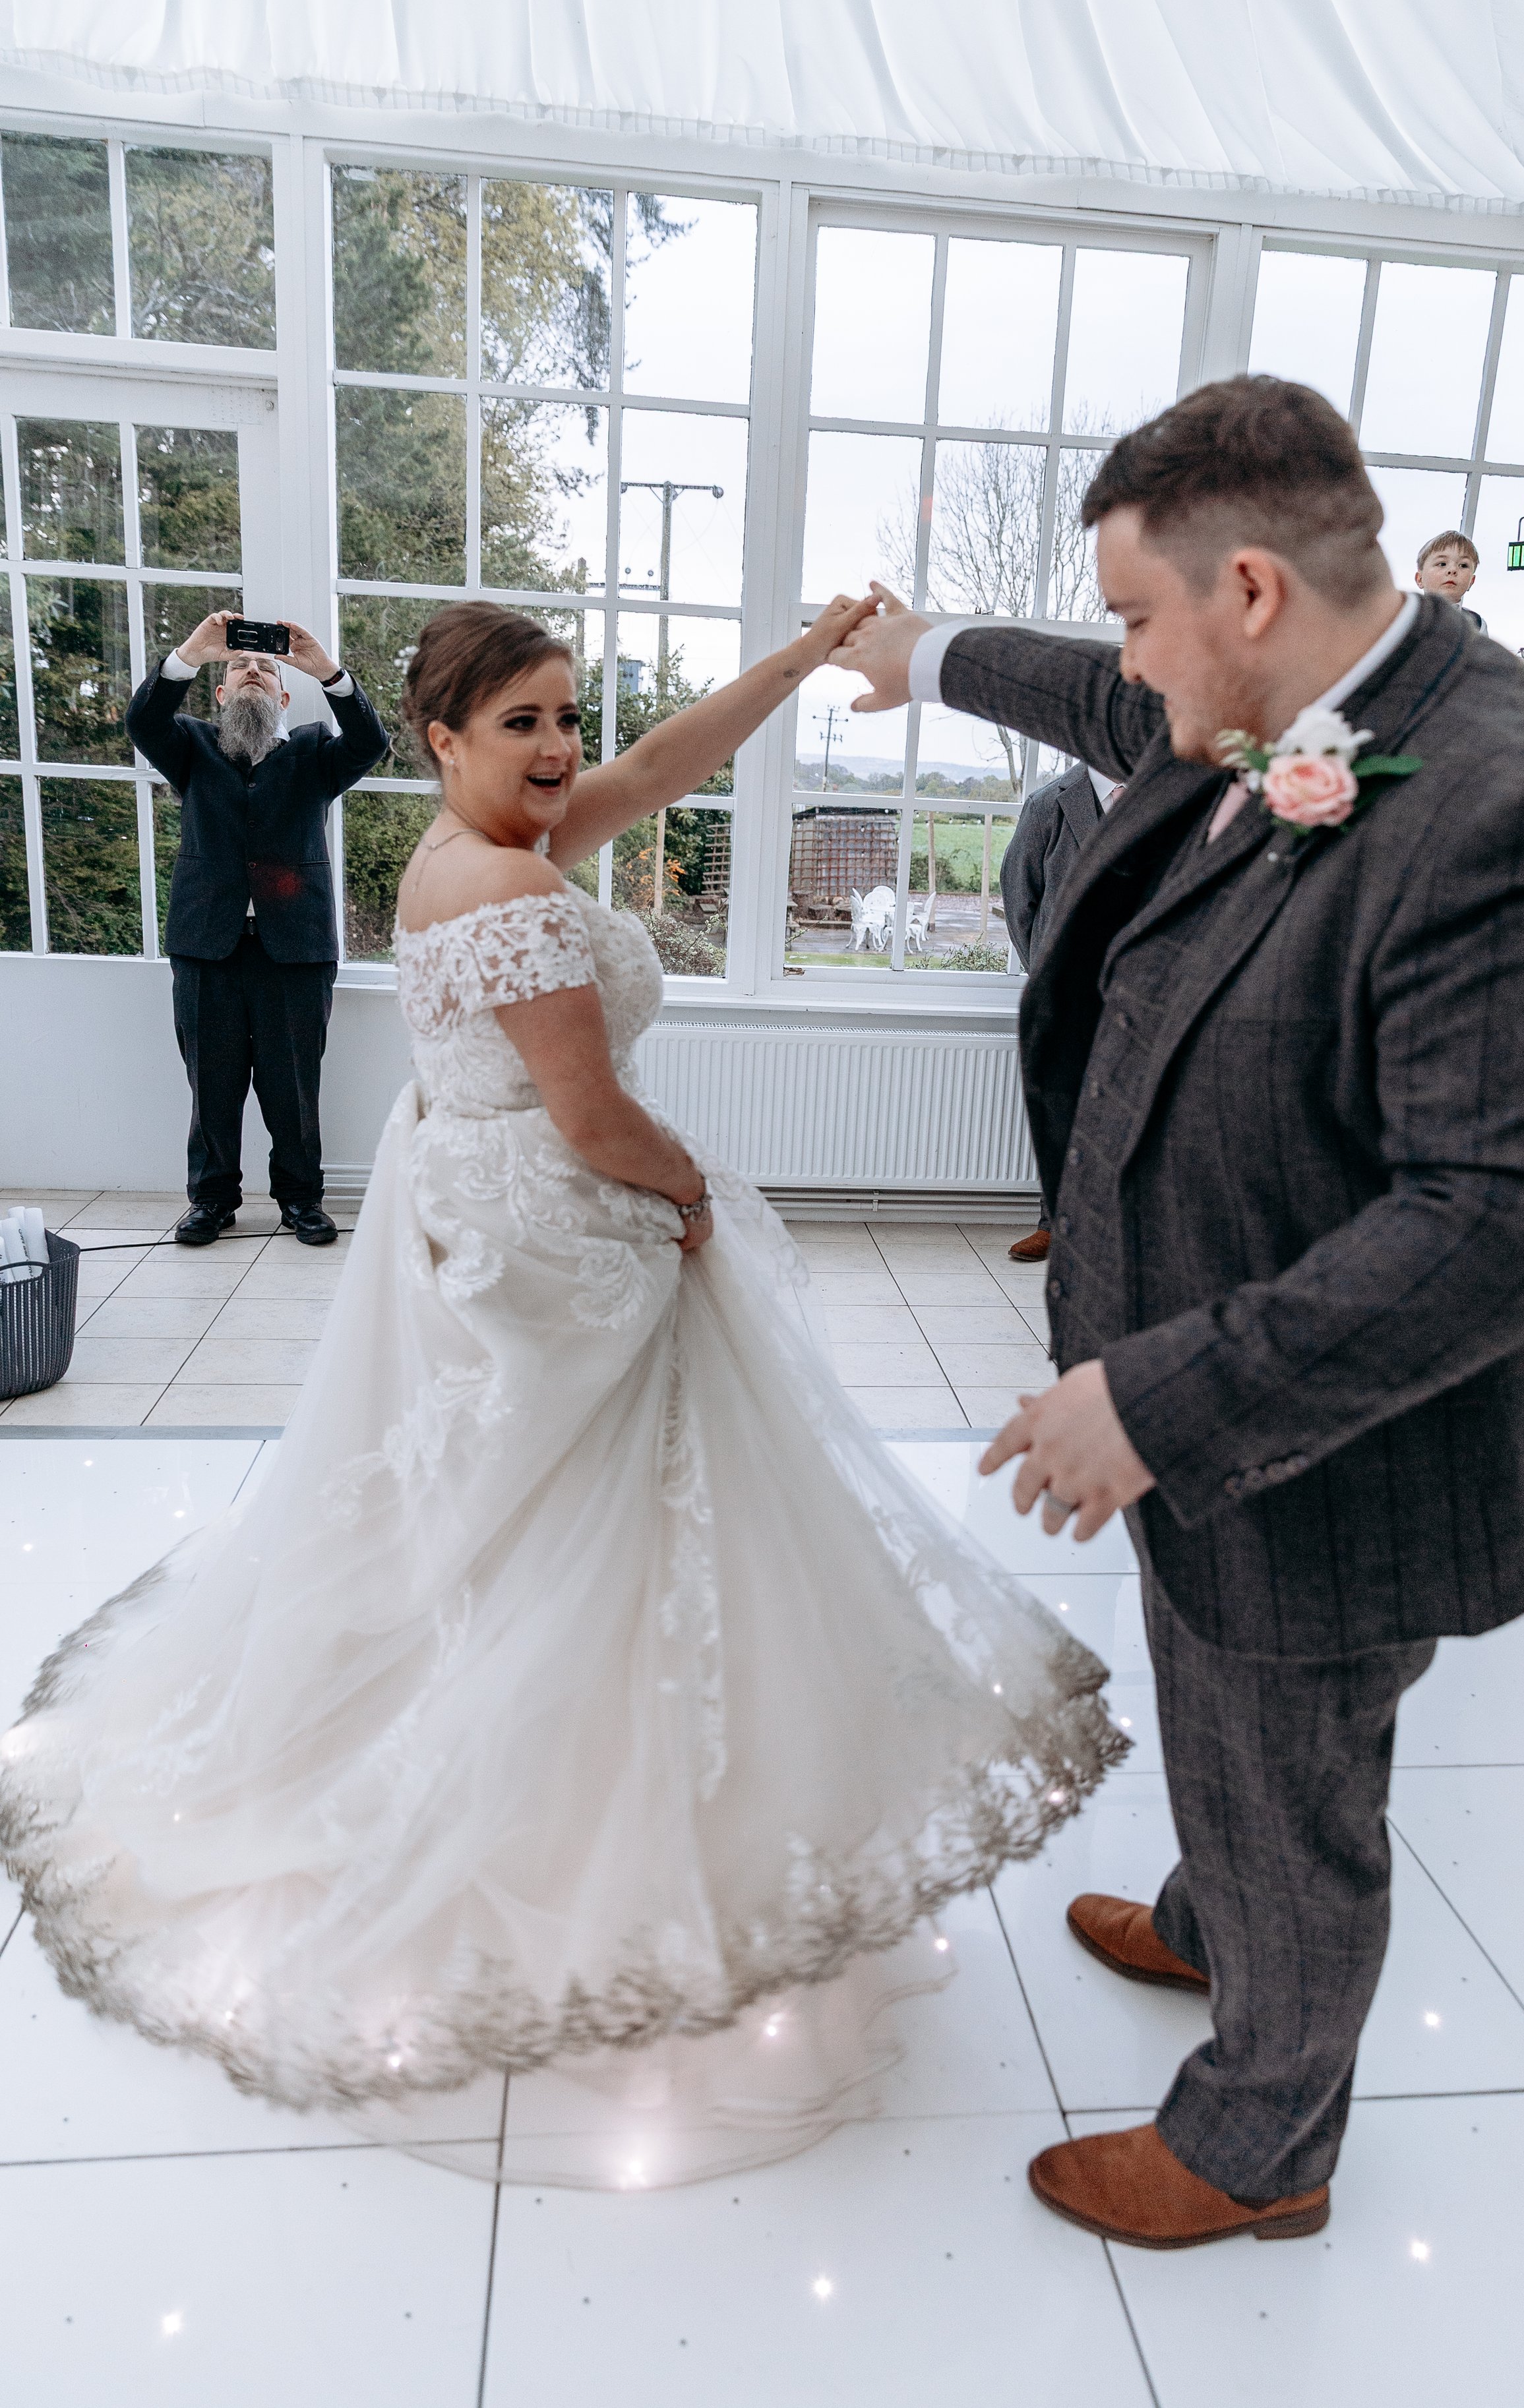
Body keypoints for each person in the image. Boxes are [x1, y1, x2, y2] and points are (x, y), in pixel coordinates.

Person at [0, 597, 1124, 2192]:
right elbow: (595, 1119)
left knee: (479, 1512)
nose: (557, 748)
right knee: (593, 1524)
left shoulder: (464, 847)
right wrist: (695, 1194)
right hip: (553, 1228)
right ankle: (573, 1828)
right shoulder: (513, 887)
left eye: (563, 716)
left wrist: (798, 659)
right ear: (442, 735)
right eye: (519, 721)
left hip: (469, 1193)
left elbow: (659, 768)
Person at [835, 376, 1524, 2251]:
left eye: (1141, 608)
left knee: (1296, 1775)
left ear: (1253, 588)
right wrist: (923, 651)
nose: (1130, 656)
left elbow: (1506, 1222)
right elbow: (1110, 701)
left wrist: (1157, 1400)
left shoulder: (1516, 807)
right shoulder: (1305, 703)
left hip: (1325, 1445)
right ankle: (1217, 1919)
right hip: (1215, 1406)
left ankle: (1259, 2137)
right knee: (1228, 1706)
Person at [127, 614, 391, 1248]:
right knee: (211, 1085)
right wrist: (193, 653)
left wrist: (326, 670)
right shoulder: (191, 748)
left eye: (266, 667)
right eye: (241, 666)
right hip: (207, 946)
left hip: (294, 949)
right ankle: (211, 1200)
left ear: (283, 696)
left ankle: (301, 1200)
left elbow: (369, 742)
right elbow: (144, 722)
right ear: (221, 694)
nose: (252, 669)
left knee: (293, 1085)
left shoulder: (314, 755)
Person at [998, 756, 1122, 1263]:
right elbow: (1019, 897)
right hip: (1068, 994)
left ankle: (1119, 1230)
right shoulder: (1048, 804)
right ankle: (1056, 1224)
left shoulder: (1169, 796)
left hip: (1145, 992)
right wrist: (1048, 975)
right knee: (1062, 1109)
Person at [1415, 527, 1484, 629]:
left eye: (1463, 565)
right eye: (1442, 564)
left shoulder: (1477, 624)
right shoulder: (1408, 617)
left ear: (1471, 582)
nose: (1452, 570)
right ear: (1420, 579)